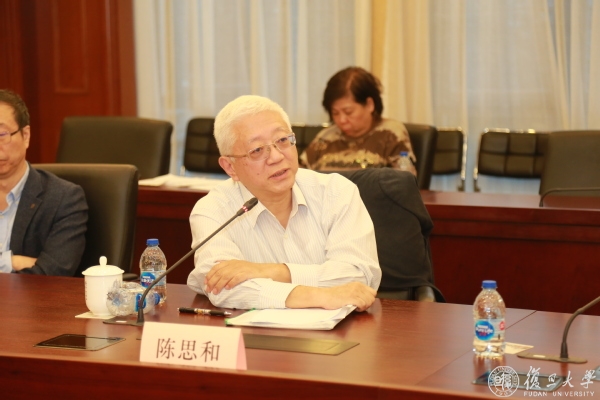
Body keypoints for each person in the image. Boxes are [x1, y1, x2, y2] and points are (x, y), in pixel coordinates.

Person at [187, 95, 381, 311]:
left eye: (282, 141)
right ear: (230, 167)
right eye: (257, 150)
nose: (277, 157)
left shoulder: (336, 192)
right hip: (254, 332)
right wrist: (320, 296)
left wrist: (269, 271)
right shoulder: (212, 210)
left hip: (345, 330)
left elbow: (360, 276)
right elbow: (221, 287)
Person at [0, 89, 87, 275]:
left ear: (25, 136)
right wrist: (11, 262)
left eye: (1, 134)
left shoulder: (64, 199)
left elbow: (53, 273)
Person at [300, 66, 416, 174]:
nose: (341, 120)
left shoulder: (390, 134)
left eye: (348, 112)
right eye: (335, 113)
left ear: (369, 104)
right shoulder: (325, 138)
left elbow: (405, 180)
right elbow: (299, 173)